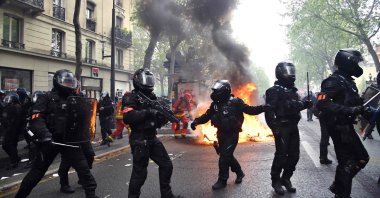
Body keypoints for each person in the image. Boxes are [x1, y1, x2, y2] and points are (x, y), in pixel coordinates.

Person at [15, 69, 98, 198]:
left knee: (85, 172)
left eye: (71, 83)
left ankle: (91, 195)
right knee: (36, 174)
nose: (69, 85)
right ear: (57, 82)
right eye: (66, 83)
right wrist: (45, 135)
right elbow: (36, 118)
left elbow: (83, 119)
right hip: (51, 141)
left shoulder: (76, 99)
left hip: (70, 140)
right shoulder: (46, 98)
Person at [191, 80, 270, 190]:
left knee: (224, 157)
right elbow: (207, 116)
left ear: (224, 90)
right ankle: (239, 172)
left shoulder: (236, 102)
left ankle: (222, 180)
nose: (215, 92)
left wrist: (262, 108)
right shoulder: (215, 105)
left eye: (217, 89)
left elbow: (250, 110)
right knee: (226, 155)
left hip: (232, 134)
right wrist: (196, 121)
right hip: (221, 133)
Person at [317, 49, 370, 198]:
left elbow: (355, 102)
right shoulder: (333, 81)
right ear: (347, 63)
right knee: (348, 161)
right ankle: (342, 193)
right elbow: (322, 103)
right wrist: (349, 110)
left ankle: (340, 187)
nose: (358, 66)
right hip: (338, 127)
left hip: (346, 126)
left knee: (360, 159)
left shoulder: (348, 82)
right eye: (355, 63)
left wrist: (364, 109)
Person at [123, 68, 182, 198]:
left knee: (167, 165)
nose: (148, 82)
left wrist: (162, 117)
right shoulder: (130, 97)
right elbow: (128, 117)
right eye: (146, 79)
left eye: (150, 79)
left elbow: (157, 123)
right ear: (137, 81)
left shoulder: (153, 98)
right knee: (140, 174)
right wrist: (148, 112)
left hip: (151, 137)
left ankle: (167, 195)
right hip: (139, 139)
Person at [265, 62, 313, 195]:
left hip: (293, 126)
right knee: (281, 156)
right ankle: (276, 181)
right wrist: (275, 129)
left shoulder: (292, 90)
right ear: (280, 73)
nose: (291, 74)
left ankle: (286, 178)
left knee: (294, 156)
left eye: (292, 71)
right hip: (282, 126)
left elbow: (293, 106)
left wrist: (304, 104)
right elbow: (269, 112)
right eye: (287, 71)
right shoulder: (273, 91)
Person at [58, 90, 96, 194]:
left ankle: (82, 178)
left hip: (83, 135)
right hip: (70, 136)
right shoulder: (67, 103)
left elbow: (89, 117)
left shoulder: (84, 104)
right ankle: (64, 184)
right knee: (66, 161)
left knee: (89, 155)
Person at [2, 92, 23, 170]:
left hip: (12, 129)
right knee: (11, 145)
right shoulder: (10, 106)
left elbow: (16, 120)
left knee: (7, 145)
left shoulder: (17, 107)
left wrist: (10, 126)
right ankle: (15, 158)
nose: (8, 100)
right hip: (10, 129)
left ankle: (14, 161)